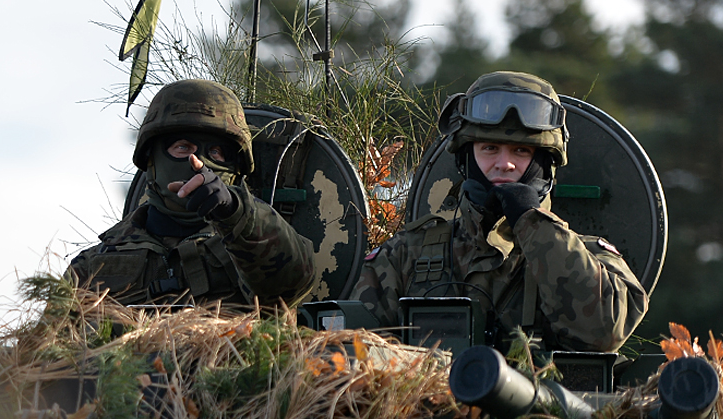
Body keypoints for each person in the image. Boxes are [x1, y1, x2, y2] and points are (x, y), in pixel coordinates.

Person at [351, 71, 648, 352]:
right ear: (466, 160)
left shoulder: (592, 259)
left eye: (521, 151)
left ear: (544, 166)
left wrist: (533, 223)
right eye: (490, 148)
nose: (504, 163)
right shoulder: (405, 255)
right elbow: (352, 355)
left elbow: (602, 332)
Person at [70, 79, 317, 308]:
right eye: (182, 147)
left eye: (217, 153)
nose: (198, 162)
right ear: (151, 161)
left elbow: (294, 282)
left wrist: (235, 213)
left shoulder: (252, 249)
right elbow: (49, 348)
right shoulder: (93, 267)